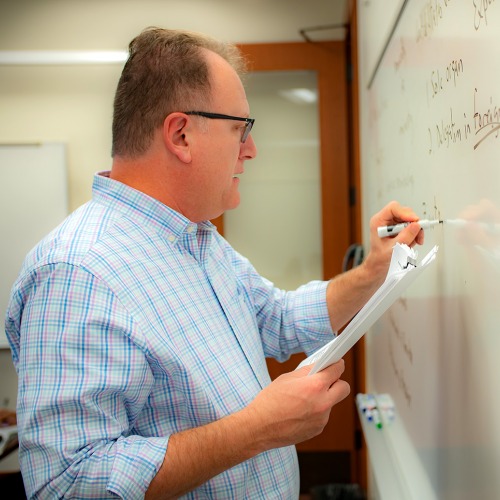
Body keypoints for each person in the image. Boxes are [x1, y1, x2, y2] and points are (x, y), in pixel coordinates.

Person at [5, 27, 424, 499]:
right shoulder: (77, 273)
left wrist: (372, 273)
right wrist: (257, 429)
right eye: (240, 129)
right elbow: (67, 484)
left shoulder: (198, 238)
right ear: (181, 134)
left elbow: (277, 317)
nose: (251, 149)